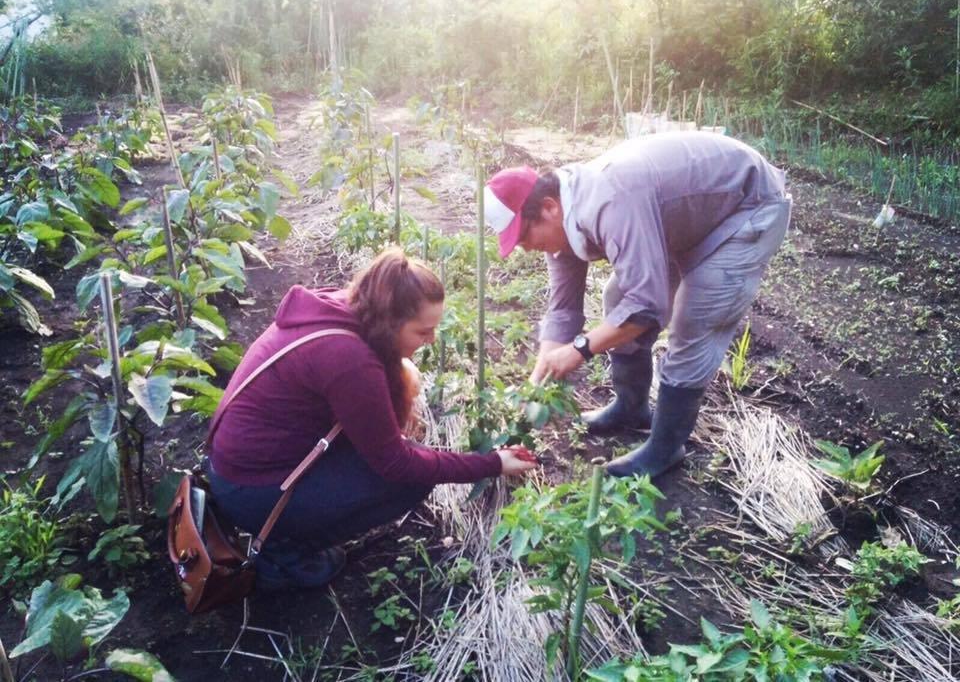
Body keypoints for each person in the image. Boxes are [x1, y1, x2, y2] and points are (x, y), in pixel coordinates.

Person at [206, 248, 537, 590]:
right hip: (251, 490)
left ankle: (290, 532)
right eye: (423, 332)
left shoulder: (347, 310)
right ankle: (284, 555)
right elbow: (397, 465)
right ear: (390, 324)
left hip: (242, 466)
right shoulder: (349, 358)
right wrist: (491, 463)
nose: (431, 341)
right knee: (409, 480)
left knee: (398, 455)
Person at [483, 131, 791, 479]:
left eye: (523, 237)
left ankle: (665, 448)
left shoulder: (609, 201)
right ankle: (631, 409)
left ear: (549, 208)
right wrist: (538, 380)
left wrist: (578, 350)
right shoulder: (562, 217)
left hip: (745, 208)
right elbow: (563, 310)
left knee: (694, 321)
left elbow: (646, 307)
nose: (524, 248)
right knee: (617, 298)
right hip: (690, 216)